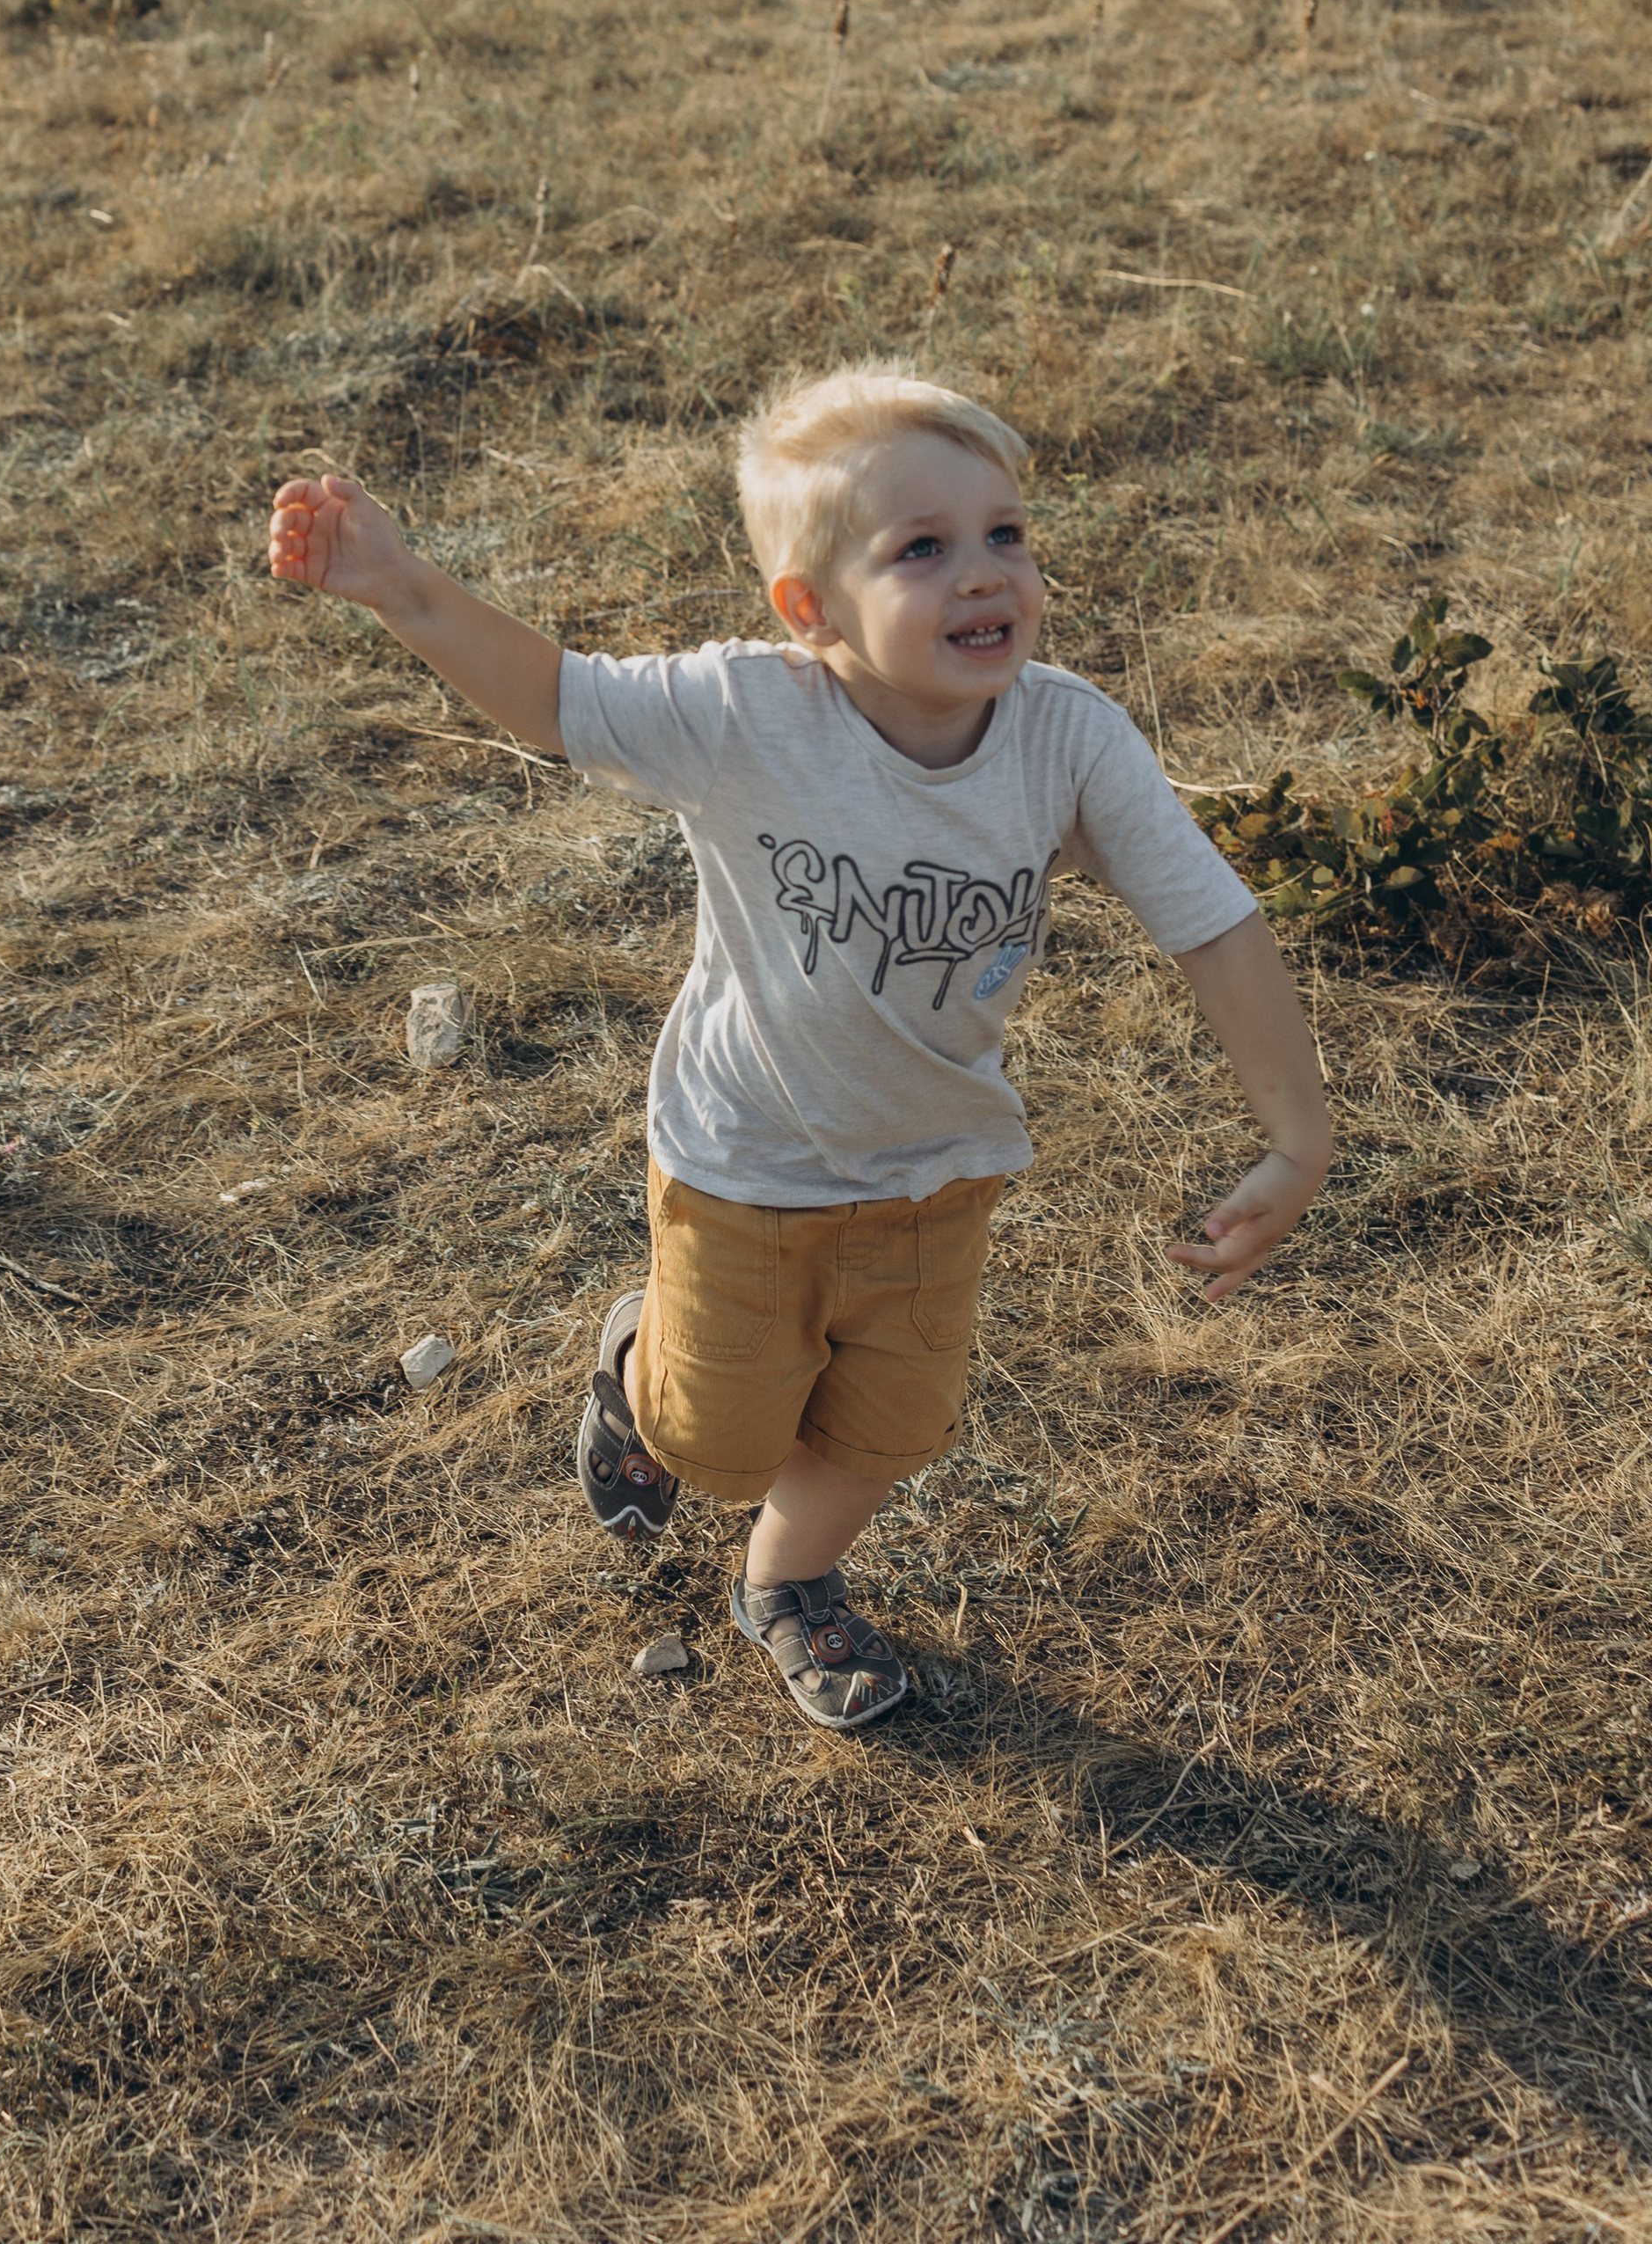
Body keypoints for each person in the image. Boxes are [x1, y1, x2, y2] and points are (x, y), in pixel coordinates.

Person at [267, 362, 1332, 1736]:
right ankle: (637, 1358)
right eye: (924, 551)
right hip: (747, 1161)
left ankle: (791, 1583)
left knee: (888, 1431)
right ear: (811, 609)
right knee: (716, 1442)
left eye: (1006, 534)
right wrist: (401, 587)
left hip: (938, 1168)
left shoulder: (1067, 735)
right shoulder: (746, 716)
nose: (983, 577)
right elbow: (554, 696)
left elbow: (1211, 920)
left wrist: (1297, 1134)